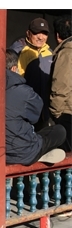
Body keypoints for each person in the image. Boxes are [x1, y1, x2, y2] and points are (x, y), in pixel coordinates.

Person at [5, 49, 66, 165]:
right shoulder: (23, 92)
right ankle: (39, 154)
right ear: (14, 68)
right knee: (59, 131)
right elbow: (35, 117)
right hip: (23, 152)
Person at [18, 17, 53, 129]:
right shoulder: (21, 52)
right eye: (36, 32)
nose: (40, 37)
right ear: (28, 33)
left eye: (44, 33)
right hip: (26, 110)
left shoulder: (51, 54)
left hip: (46, 111)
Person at [49, 14, 72, 152]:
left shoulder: (67, 53)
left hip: (67, 112)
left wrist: (56, 112)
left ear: (58, 35)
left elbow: (61, 85)